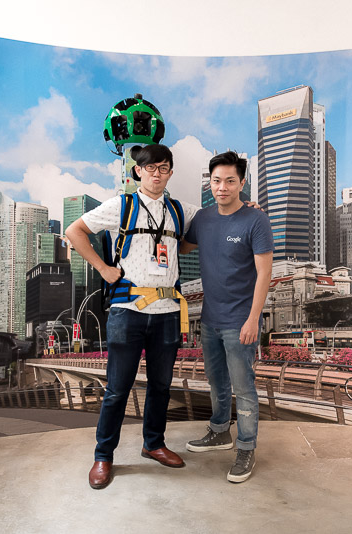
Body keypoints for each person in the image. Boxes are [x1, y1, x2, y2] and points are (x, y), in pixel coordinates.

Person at [66, 144, 199, 490]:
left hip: (168, 312)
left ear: (171, 173)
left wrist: (247, 207)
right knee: (116, 390)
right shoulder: (121, 206)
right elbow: (73, 232)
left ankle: (153, 443)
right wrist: (103, 268)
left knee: (160, 386)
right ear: (137, 172)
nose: (157, 173)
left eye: (164, 168)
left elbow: (212, 223)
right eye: (151, 167)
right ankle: (103, 456)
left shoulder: (178, 210)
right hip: (128, 312)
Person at [182, 151, 273, 483]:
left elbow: (264, 274)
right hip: (209, 320)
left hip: (240, 321)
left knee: (244, 387)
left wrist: (253, 319)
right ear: (210, 182)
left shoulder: (255, 220)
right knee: (216, 382)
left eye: (230, 181)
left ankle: (246, 448)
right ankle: (220, 431)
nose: (222, 187)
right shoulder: (204, 219)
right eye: (216, 180)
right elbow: (181, 247)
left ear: (242, 183)